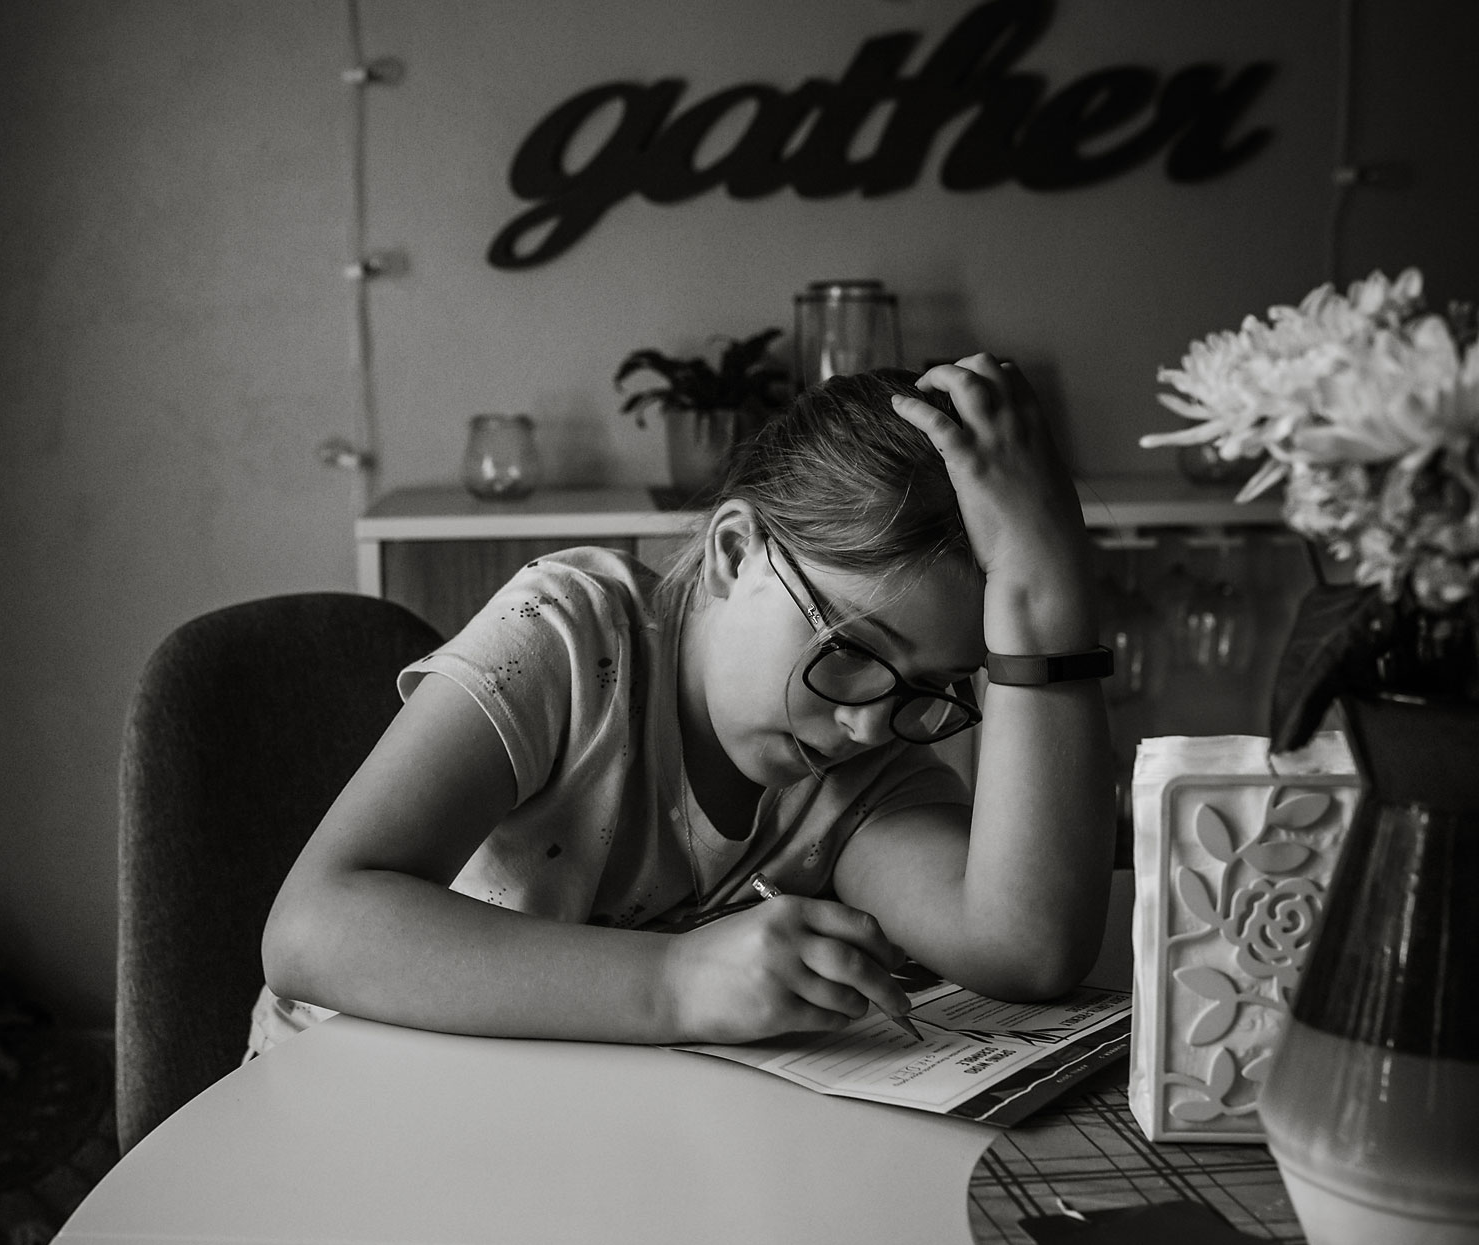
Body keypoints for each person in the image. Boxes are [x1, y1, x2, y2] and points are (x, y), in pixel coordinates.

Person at [254, 353, 1113, 1056]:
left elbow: (1024, 947)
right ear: (737, 552)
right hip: (346, 1103)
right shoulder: (565, 637)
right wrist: (676, 981)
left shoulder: (863, 765)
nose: (867, 722)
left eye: (929, 691)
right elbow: (312, 926)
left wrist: (1047, 588)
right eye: (851, 653)